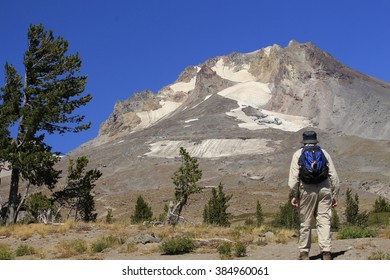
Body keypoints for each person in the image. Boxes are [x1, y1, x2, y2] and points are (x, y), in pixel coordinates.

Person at [288, 130, 340, 260]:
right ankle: (326, 251)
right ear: (315, 140)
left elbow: (293, 179)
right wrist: (334, 195)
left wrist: (294, 195)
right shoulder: (324, 153)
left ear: (304, 141)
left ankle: (304, 252)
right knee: (324, 220)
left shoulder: (298, 154)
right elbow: (334, 176)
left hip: (306, 190)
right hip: (324, 188)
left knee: (305, 221)